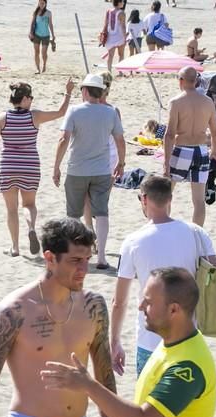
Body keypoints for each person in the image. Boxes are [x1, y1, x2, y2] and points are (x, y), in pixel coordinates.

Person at [0, 218, 117, 417]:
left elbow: (105, 374)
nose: (84, 270)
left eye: (87, 260)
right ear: (50, 258)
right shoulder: (15, 311)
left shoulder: (94, 306)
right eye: (75, 261)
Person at [41, 267, 216, 417]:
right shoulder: (173, 343)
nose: (140, 306)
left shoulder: (186, 367)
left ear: (173, 309)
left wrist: (88, 385)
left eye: (148, 302)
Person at [111, 174, 216, 377]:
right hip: (188, 339)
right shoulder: (196, 232)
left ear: (144, 199)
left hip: (150, 341)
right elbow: (215, 272)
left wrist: (115, 341)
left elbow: (119, 301)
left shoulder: (133, 242)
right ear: (170, 198)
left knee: (146, 405)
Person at [0, 78, 74, 257]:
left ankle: (15, 247)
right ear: (25, 99)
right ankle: (31, 228)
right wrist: (68, 91)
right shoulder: (34, 116)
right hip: (30, 167)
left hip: (8, 167)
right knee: (29, 204)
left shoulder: (3, 117)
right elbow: (61, 112)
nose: (32, 100)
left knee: (11, 210)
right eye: (31, 97)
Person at [53, 74, 125, 270]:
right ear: (100, 92)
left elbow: (63, 140)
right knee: (102, 213)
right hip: (102, 170)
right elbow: (120, 140)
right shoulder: (110, 113)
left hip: (77, 169)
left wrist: (56, 166)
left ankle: (77, 256)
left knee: (74, 214)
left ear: (85, 91)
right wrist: (121, 162)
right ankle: (101, 256)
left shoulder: (75, 111)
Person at [164, 66, 216, 226]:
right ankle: (197, 235)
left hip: (182, 149)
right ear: (196, 81)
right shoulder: (208, 102)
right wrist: (214, 151)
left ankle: (165, 228)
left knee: (167, 194)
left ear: (181, 81)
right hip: (201, 150)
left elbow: (169, 135)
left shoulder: (176, 102)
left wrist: (166, 162)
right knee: (199, 200)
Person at [82, 72, 120, 240]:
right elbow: (119, 138)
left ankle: (90, 233)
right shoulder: (113, 110)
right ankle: (97, 231)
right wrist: (122, 162)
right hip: (111, 158)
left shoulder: (86, 108)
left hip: (90, 157)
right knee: (102, 199)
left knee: (87, 199)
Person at [29, 0, 55, 74]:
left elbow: (50, 24)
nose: (41, 5)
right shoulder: (36, 12)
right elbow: (32, 23)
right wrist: (31, 33)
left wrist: (53, 35)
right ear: (38, 3)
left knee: (44, 53)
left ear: (45, 4)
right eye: (40, 3)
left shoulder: (48, 13)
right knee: (36, 52)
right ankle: (37, 69)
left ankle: (44, 65)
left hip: (46, 35)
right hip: (36, 34)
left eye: (43, 3)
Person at [103, 0, 126, 73]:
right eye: (122, 1)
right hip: (119, 36)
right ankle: (120, 72)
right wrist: (125, 37)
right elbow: (123, 26)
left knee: (110, 55)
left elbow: (105, 24)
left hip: (110, 35)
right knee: (121, 54)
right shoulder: (122, 13)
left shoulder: (108, 11)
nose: (123, 3)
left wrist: (104, 33)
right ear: (118, 2)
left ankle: (109, 72)